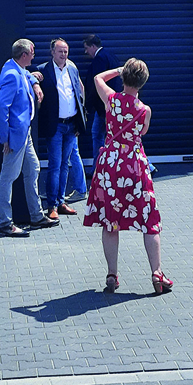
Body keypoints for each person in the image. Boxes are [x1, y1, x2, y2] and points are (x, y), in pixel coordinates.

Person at [83, 58, 171, 295]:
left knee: (110, 221)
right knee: (149, 219)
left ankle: (112, 274)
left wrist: (118, 70)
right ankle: (156, 273)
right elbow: (141, 133)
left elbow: (97, 78)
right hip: (134, 165)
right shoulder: (144, 110)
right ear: (143, 83)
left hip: (110, 165)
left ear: (124, 78)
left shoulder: (111, 100)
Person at [0, 39, 59, 237]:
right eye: (32, 53)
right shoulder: (12, 75)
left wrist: (35, 82)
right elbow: (0, 107)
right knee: (8, 178)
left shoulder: (15, 67)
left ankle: (36, 216)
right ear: (24, 55)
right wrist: (5, 138)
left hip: (24, 132)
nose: (34, 56)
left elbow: (27, 75)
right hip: (15, 135)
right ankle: (5, 222)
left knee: (33, 168)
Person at [34, 39, 87, 220]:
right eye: (60, 51)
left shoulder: (72, 69)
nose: (63, 54)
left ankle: (61, 201)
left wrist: (80, 122)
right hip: (55, 126)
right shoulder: (43, 70)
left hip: (71, 125)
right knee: (55, 166)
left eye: (66, 51)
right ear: (52, 52)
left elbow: (79, 93)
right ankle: (52, 205)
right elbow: (29, 80)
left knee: (65, 165)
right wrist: (32, 78)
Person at [83, 34, 120, 167]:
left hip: (103, 106)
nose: (86, 52)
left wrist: (88, 105)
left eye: (87, 48)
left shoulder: (99, 59)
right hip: (113, 104)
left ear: (93, 46)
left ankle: (98, 168)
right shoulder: (110, 56)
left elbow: (96, 84)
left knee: (97, 135)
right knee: (116, 136)